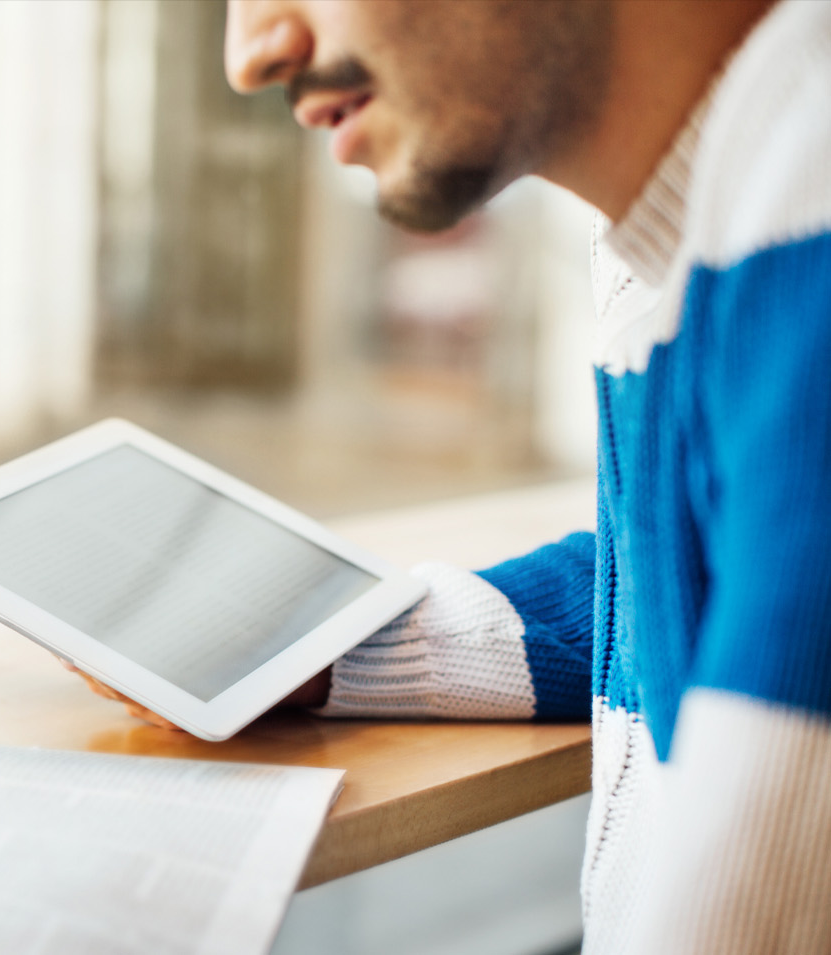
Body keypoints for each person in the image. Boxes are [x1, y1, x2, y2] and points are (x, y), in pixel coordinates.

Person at [78, 1, 831, 950]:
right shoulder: (697, 224)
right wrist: (336, 648)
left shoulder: (809, 242)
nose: (251, 52)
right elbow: (682, 561)